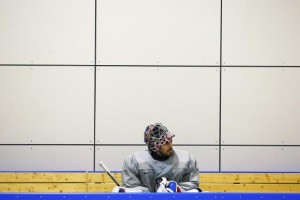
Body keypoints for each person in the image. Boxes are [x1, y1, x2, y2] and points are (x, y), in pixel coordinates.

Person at [117, 123, 202, 192]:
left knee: (196, 191)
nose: (171, 146)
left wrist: (177, 190)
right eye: (166, 143)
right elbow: (131, 186)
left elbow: (192, 184)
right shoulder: (133, 161)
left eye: (170, 141)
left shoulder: (186, 159)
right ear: (155, 146)